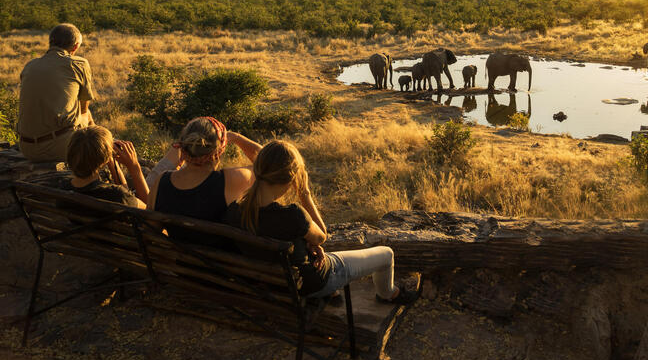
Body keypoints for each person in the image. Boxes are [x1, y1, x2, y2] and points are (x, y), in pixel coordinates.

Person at [225, 140, 416, 304]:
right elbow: (321, 236)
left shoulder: (234, 210)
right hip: (311, 283)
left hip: (270, 284)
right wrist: (305, 194)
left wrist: (304, 243)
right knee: (386, 254)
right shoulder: (293, 215)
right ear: (293, 178)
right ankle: (388, 294)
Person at [147, 116, 256, 246]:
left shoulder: (162, 181)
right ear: (219, 150)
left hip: (179, 262)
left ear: (183, 147)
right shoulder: (231, 180)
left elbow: (150, 232)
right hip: (218, 265)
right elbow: (271, 163)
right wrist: (237, 137)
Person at [18, 23, 95, 162]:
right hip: (60, 147)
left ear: (50, 42)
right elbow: (84, 109)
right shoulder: (79, 64)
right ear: (76, 46)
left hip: (26, 148)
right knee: (90, 120)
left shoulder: (30, 65)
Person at [59, 125, 149, 208]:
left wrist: (112, 164)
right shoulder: (116, 196)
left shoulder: (64, 188)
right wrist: (134, 167)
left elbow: (125, 196)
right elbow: (148, 210)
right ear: (104, 160)